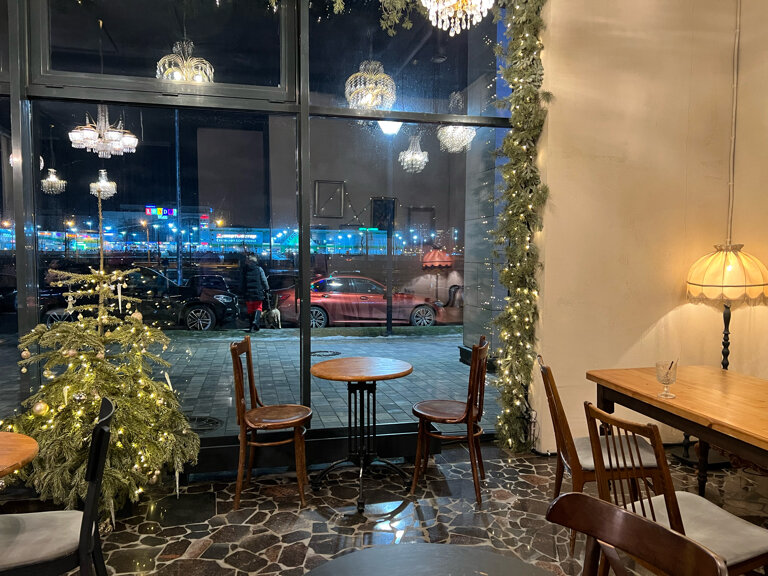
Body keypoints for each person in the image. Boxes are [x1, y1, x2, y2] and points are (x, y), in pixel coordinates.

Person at [244, 255, 269, 332]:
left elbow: (242, 281)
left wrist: (241, 291)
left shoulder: (245, 270)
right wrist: (267, 288)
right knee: (258, 307)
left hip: (248, 293)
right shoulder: (259, 269)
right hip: (258, 292)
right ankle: (255, 323)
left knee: (250, 309)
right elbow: (264, 280)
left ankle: (252, 326)